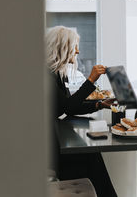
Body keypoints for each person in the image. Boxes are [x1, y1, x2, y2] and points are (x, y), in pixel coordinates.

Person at [46, 26, 117, 197]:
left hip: (56, 140)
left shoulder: (56, 74)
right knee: (91, 156)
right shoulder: (46, 76)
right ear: (62, 48)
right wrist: (91, 80)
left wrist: (99, 105)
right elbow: (68, 107)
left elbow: (69, 106)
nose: (77, 51)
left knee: (92, 153)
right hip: (50, 149)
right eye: (74, 46)